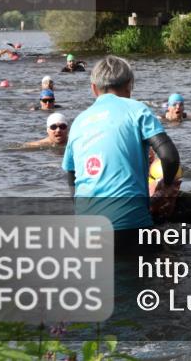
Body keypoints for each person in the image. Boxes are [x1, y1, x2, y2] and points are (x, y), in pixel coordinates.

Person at [62, 56, 180, 252]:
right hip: (130, 226)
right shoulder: (137, 110)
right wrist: (166, 189)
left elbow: (70, 176)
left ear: (93, 89)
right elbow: (169, 157)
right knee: (168, 264)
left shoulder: (79, 122)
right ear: (129, 86)